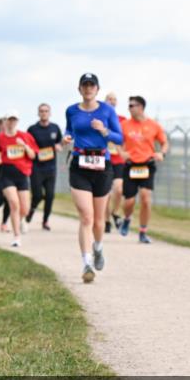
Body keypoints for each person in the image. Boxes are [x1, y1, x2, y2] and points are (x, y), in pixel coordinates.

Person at [65, 73, 123, 282]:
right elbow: (69, 129)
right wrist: (67, 136)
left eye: (92, 85)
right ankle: (87, 263)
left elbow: (119, 137)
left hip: (102, 165)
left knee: (99, 220)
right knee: (86, 217)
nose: (88, 88)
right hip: (79, 164)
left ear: (97, 89)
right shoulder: (71, 110)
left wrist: (104, 130)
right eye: (85, 85)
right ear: (79, 89)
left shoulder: (107, 110)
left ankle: (98, 247)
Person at [119, 95, 169, 241]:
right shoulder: (124, 125)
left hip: (147, 165)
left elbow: (164, 142)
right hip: (130, 166)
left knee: (146, 199)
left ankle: (142, 232)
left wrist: (162, 153)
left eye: (131, 106)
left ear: (140, 107)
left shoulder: (154, 125)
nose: (129, 108)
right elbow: (116, 142)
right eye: (128, 106)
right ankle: (127, 218)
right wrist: (121, 152)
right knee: (129, 202)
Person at [0, 111, 38, 248]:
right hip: (6, 175)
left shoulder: (25, 136)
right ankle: (16, 236)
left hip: (23, 175)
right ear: (6, 121)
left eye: (14, 119)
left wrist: (24, 146)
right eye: (10, 119)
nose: (12, 122)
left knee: (25, 209)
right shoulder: (0, 138)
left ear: (17, 121)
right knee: (14, 204)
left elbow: (33, 155)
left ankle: (19, 221)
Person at [26, 103, 64, 231]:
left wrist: (59, 146)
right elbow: (27, 145)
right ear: (38, 113)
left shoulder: (55, 128)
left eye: (46, 111)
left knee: (50, 195)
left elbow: (60, 142)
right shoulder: (32, 129)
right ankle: (31, 210)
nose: (44, 113)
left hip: (51, 168)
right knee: (37, 195)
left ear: (50, 113)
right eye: (41, 111)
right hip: (36, 168)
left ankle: (45, 220)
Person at [103, 91, 128, 233]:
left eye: (114, 99)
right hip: (105, 159)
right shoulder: (100, 118)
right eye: (109, 99)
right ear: (105, 101)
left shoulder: (123, 120)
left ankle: (115, 212)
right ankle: (106, 220)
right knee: (105, 193)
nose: (112, 101)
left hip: (118, 159)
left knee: (119, 188)